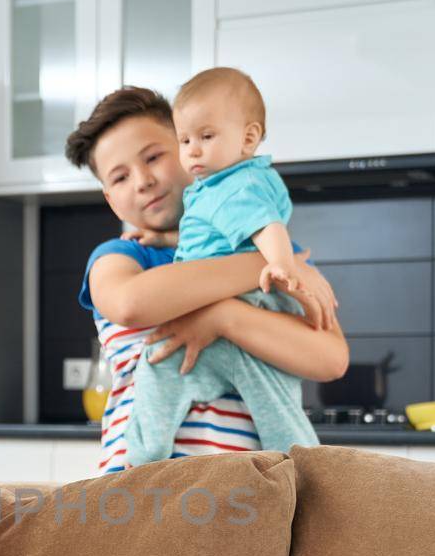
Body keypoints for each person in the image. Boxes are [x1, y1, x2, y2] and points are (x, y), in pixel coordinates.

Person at [65, 85, 349, 475]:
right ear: (110, 199)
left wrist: (222, 319)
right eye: (120, 177)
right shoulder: (122, 256)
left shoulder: (272, 251)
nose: (143, 180)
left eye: (154, 156)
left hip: (252, 490)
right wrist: (269, 264)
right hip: (142, 493)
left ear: (190, 151)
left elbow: (331, 358)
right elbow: (130, 303)